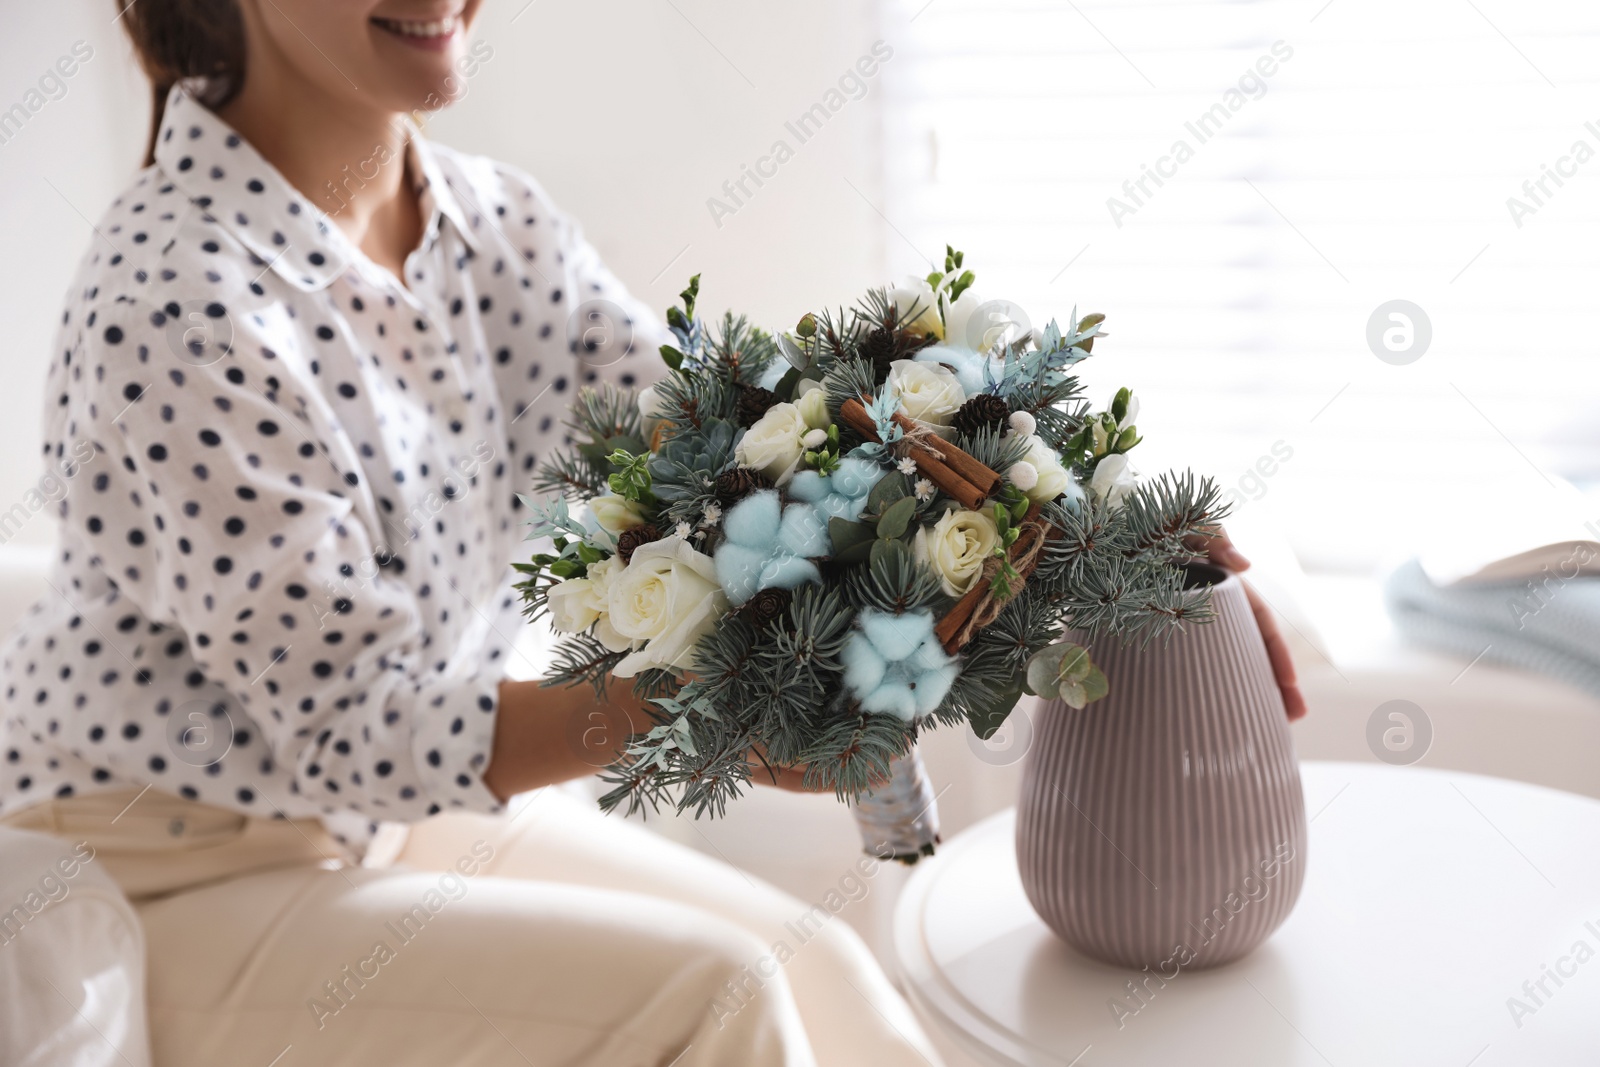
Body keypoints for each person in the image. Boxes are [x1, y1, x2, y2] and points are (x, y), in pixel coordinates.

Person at [0, 0, 1306, 1064]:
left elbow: (745, 439)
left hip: (375, 823)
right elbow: (356, 725)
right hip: (164, 872)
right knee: (723, 996)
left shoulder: (489, 226)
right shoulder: (180, 296)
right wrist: (686, 702)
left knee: (821, 971)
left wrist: (1100, 536)